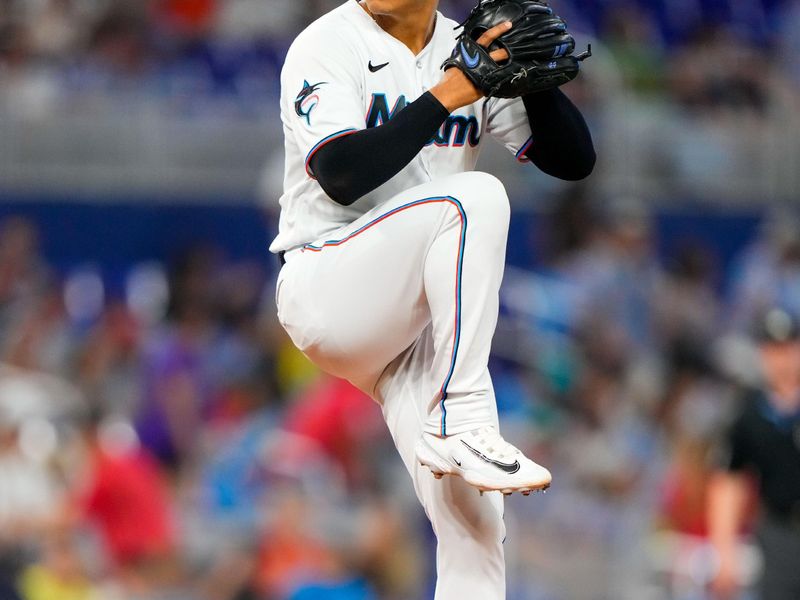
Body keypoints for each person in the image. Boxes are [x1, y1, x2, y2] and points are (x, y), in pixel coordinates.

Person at [270, 0, 595, 596]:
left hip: (413, 324)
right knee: (473, 198)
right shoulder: (326, 43)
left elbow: (575, 162)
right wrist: (455, 89)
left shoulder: (464, 45)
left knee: (476, 519)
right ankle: (461, 419)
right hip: (328, 282)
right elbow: (342, 172)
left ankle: (459, 430)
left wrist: (538, 84)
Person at [708, 308, 800, 600]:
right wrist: (724, 554)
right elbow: (728, 481)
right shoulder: (750, 413)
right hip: (780, 531)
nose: (782, 359)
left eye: (788, 349)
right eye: (773, 350)